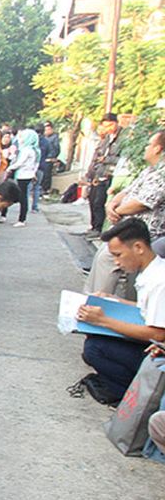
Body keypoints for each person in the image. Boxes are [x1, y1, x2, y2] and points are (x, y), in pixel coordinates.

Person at [78, 218, 165, 401]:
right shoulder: (151, 273)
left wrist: (102, 320)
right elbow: (148, 310)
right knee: (96, 340)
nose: (117, 262)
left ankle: (128, 395)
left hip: (158, 352)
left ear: (139, 248)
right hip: (154, 345)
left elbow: (158, 333)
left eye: (118, 255)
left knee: (95, 349)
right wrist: (115, 300)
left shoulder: (159, 282)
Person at [86, 130, 165, 299]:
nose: (145, 147)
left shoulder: (163, 174)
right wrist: (112, 203)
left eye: (149, 144)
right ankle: (92, 299)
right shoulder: (149, 171)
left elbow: (144, 202)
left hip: (147, 233)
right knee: (103, 253)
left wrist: (116, 211)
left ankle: (99, 303)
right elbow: (128, 190)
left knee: (109, 257)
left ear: (158, 148)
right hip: (127, 226)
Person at [84, 113, 123, 238]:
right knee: (93, 200)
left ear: (117, 123)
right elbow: (96, 157)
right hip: (98, 174)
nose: (109, 128)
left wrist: (106, 159)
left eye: (111, 125)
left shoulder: (124, 138)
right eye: (106, 126)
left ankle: (99, 228)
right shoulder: (106, 139)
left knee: (100, 202)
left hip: (110, 175)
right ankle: (94, 226)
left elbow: (122, 159)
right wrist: (90, 175)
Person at [5, 127, 40, 227]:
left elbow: (20, 162)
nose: (20, 139)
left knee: (22, 197)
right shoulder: (32, 150)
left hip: (23, 175)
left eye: (22, 137)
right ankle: (21, 218)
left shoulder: (27, 150)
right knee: (23, 196)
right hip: (26, 175)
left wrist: (10, 168)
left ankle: (22, 219)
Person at [40, 121, 60, 202]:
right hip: (43, 159)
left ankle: (46, 190)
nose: (47, 131)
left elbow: (56, 149)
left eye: (48, 129)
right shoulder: (43, 138)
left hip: (49, 159)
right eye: (46, 130)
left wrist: (52, 157)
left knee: (47, 175)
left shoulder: (54, 138)